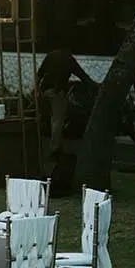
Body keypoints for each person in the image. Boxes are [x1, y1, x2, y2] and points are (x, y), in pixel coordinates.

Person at [37, 46, 96, 194]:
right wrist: (94, 86)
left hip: (44, 90)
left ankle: (53, 143)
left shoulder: (50, 55)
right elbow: (83, 76)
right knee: (58, 118)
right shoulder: (68, 59)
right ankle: (55, 148)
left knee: (54, 116)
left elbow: (39, 74)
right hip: (56, 91)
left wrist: (36, 91)